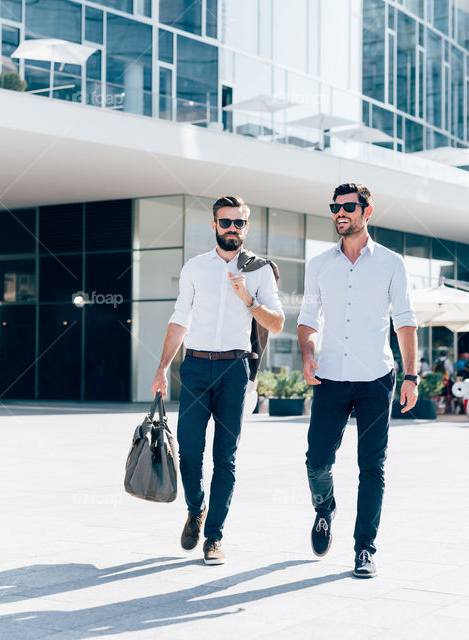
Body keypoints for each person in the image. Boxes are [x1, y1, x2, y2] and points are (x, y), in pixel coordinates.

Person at [151, 195, 285, 566]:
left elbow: (276, 322)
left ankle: (214, 536)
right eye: (225, 222)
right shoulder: (195, 267)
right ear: (214, 225)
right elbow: (180, 317)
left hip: (234, 370)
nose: (231, 228)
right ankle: (196, 508)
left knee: (225, 458)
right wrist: (162, 367)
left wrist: (248, 300)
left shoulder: (259, 271)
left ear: (246, 227)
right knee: (191, 452)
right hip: (194, 368)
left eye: (238, 223)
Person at [297, 183, 418, 579]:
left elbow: (404, 320)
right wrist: (308, 353)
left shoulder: (391, 263)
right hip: (329, 378)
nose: (340, 212)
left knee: (372, 466)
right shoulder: (319, 264)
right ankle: (324, 509)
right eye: (335, 207)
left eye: (348, 206)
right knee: (317, 461)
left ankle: (364, 549)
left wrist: (412, 375)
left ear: (367, 212)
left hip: (375, 380)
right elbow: (308, 319)